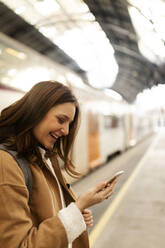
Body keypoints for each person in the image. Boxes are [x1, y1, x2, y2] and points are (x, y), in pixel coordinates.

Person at [0, 81, 117, 248]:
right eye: (61, 120)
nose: (66, 131)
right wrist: (79, 206)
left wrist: (77, 216)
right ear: (36, 111)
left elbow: (48, 215)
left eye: (69, 124)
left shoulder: (43, 156)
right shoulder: (6, 163)